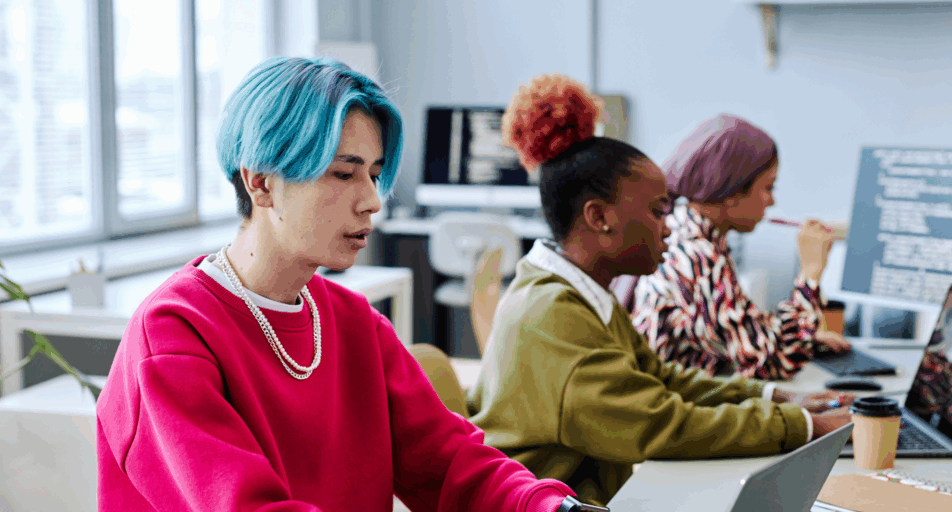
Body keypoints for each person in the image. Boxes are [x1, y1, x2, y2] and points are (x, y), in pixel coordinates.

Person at [95, 57, 578, 512]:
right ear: (260, 182)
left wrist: (549, 506)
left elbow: (453, 463)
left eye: (374, 174)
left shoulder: (355, 325)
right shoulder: (173, 334)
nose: (372, 201)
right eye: (344, 173)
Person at [466, 74, 853, 506]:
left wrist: (778, 397)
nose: (669, 227)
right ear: (599, 217)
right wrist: (802, 425)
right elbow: (659, 425)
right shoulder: (554, 317)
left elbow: (661, 379)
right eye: (656, 211)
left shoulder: (579, 293)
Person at [620, 114, 850, 381]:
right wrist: (811, 272)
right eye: (768, 187)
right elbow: (774, 363)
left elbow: (739, 329)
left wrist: (804, 336)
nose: (772, 201)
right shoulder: (696, 254)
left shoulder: (690, 232)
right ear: (730, 192)